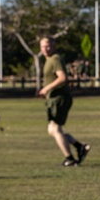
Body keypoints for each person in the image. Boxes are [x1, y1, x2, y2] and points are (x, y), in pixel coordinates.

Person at [38, 37, 90, 167]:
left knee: (55, 129)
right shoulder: (49, 59)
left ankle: (70, 159)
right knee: (52, 129)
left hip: (59, 98)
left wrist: (46, 89)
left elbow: (62, 78)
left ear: (54, 46)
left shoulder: (55, 59)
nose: (45, 48)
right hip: (53, 98)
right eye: (43, 46)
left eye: (48, 46)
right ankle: (79, 147)